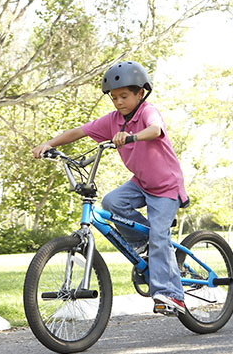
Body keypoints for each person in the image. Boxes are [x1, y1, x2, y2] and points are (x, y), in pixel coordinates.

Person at [31, 61, 188, 314]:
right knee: (112, 202)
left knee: (160, 237)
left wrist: (132, 137)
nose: (118, 102)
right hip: (141, 183)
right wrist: (49, 144)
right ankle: (147, 244)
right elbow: (79, 131)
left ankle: (172, 295)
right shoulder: (113, 121)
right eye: (114, 98)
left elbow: (155, 129)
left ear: (140, 93)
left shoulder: (148, 112)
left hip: (166, 186)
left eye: (124, 96)